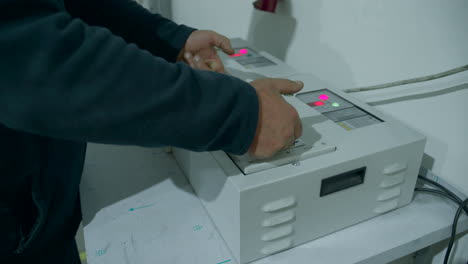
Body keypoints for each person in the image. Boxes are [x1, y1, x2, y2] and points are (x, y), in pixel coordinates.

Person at [0, 0, 303, 263]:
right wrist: (240, 115)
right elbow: (28, 54)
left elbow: (76, 4)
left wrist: (169, 39)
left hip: (42, 211)